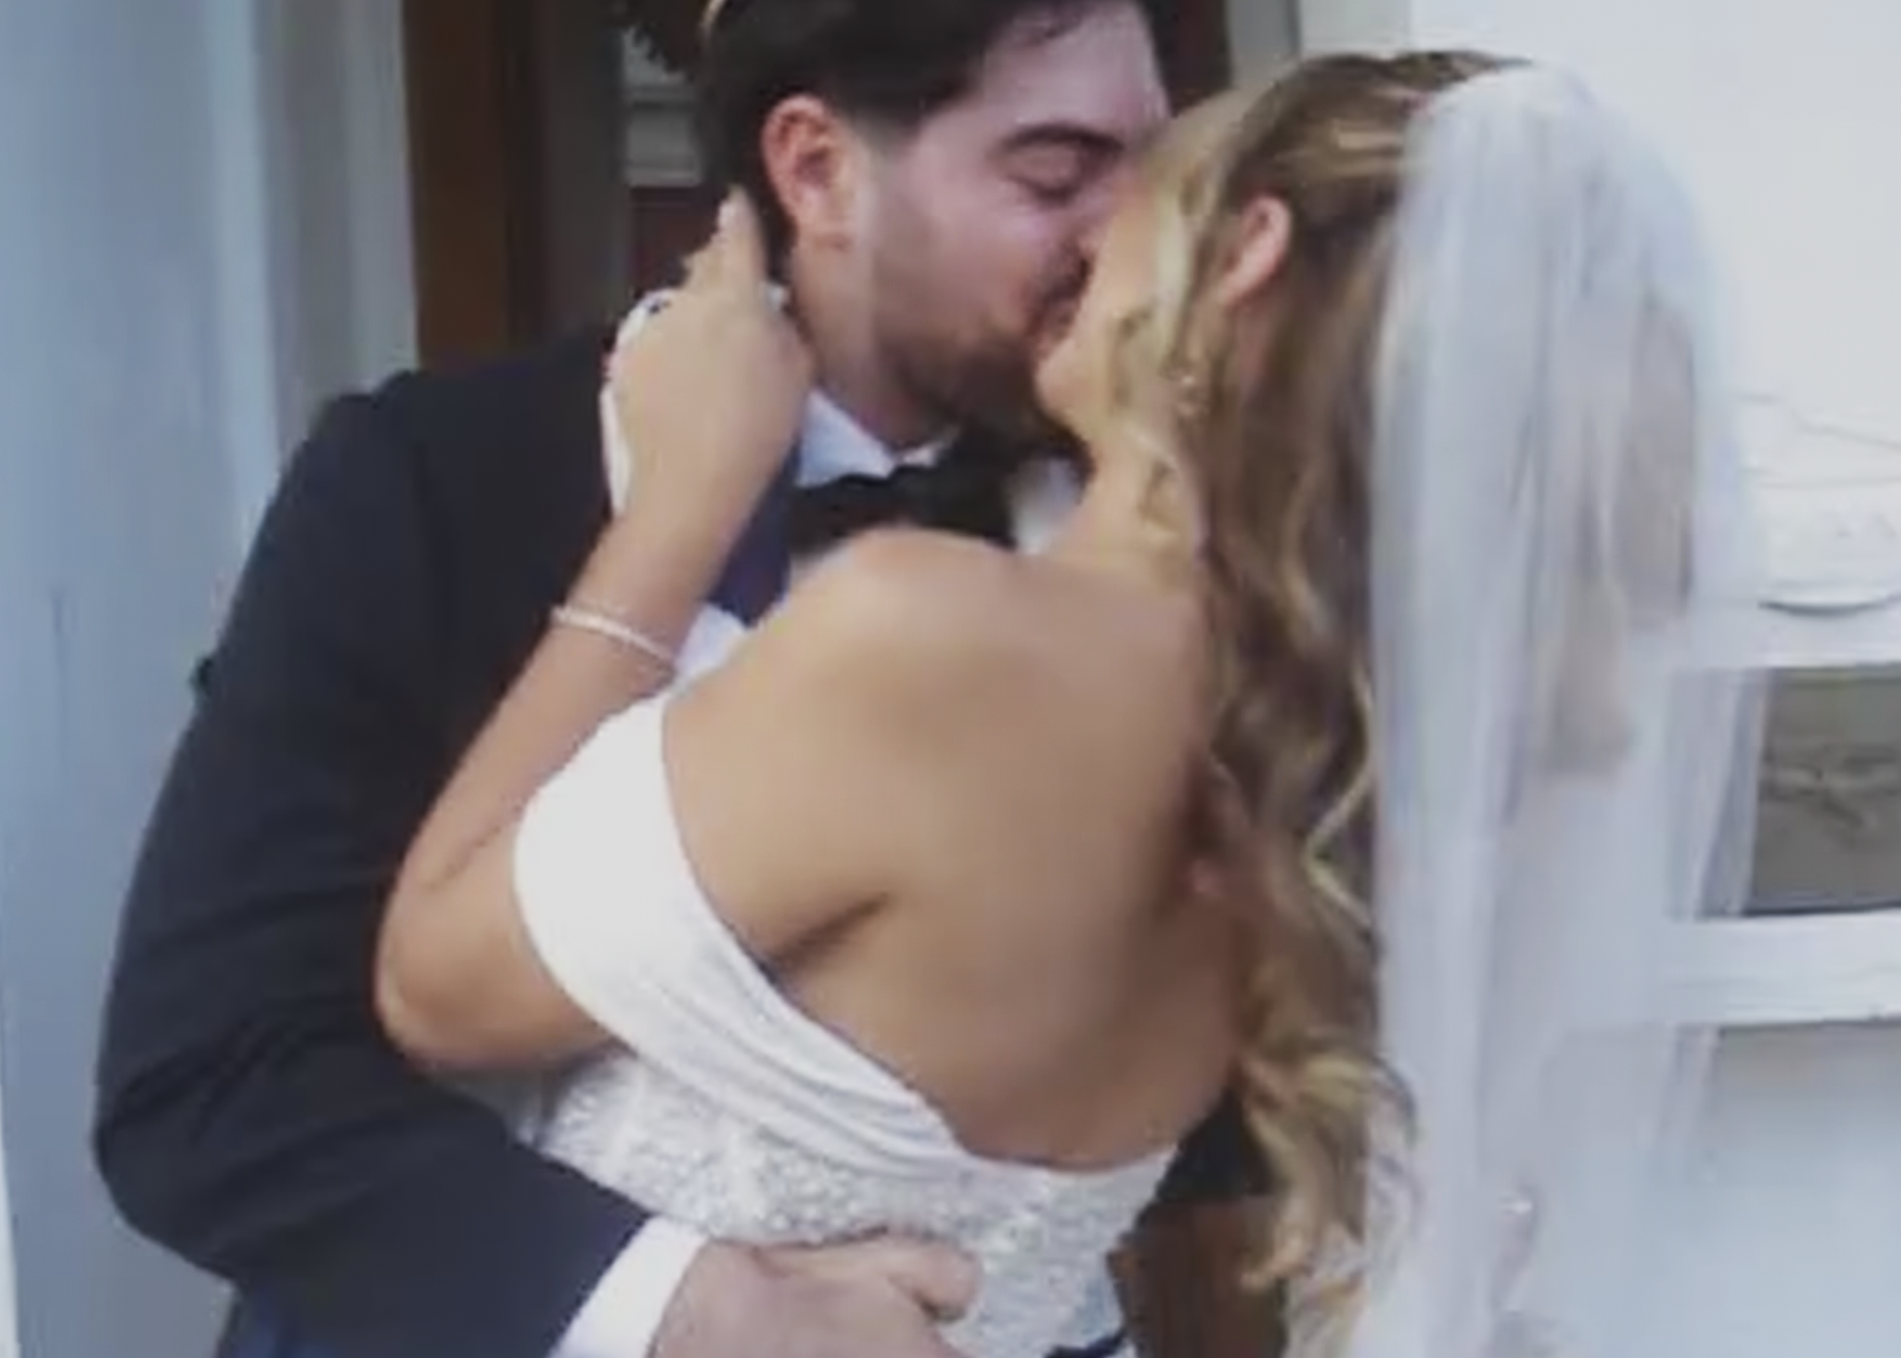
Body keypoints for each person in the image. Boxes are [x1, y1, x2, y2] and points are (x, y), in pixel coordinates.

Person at [372, 49, 1761, 1358]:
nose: (1091, 232)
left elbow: (436, 984)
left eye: (1147, 180)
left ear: (1248, 253)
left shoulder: (934, 639)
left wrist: (680, 506)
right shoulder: (1329, 771)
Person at [91, 4, 1268, 1358]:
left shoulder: (1177, 536)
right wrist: (705, 1304)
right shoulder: (434, 477)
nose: (1123, 234)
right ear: (817, 167)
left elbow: (1223, 1112)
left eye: (1153, 170)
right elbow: (212, 1083)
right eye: (1055, 175)